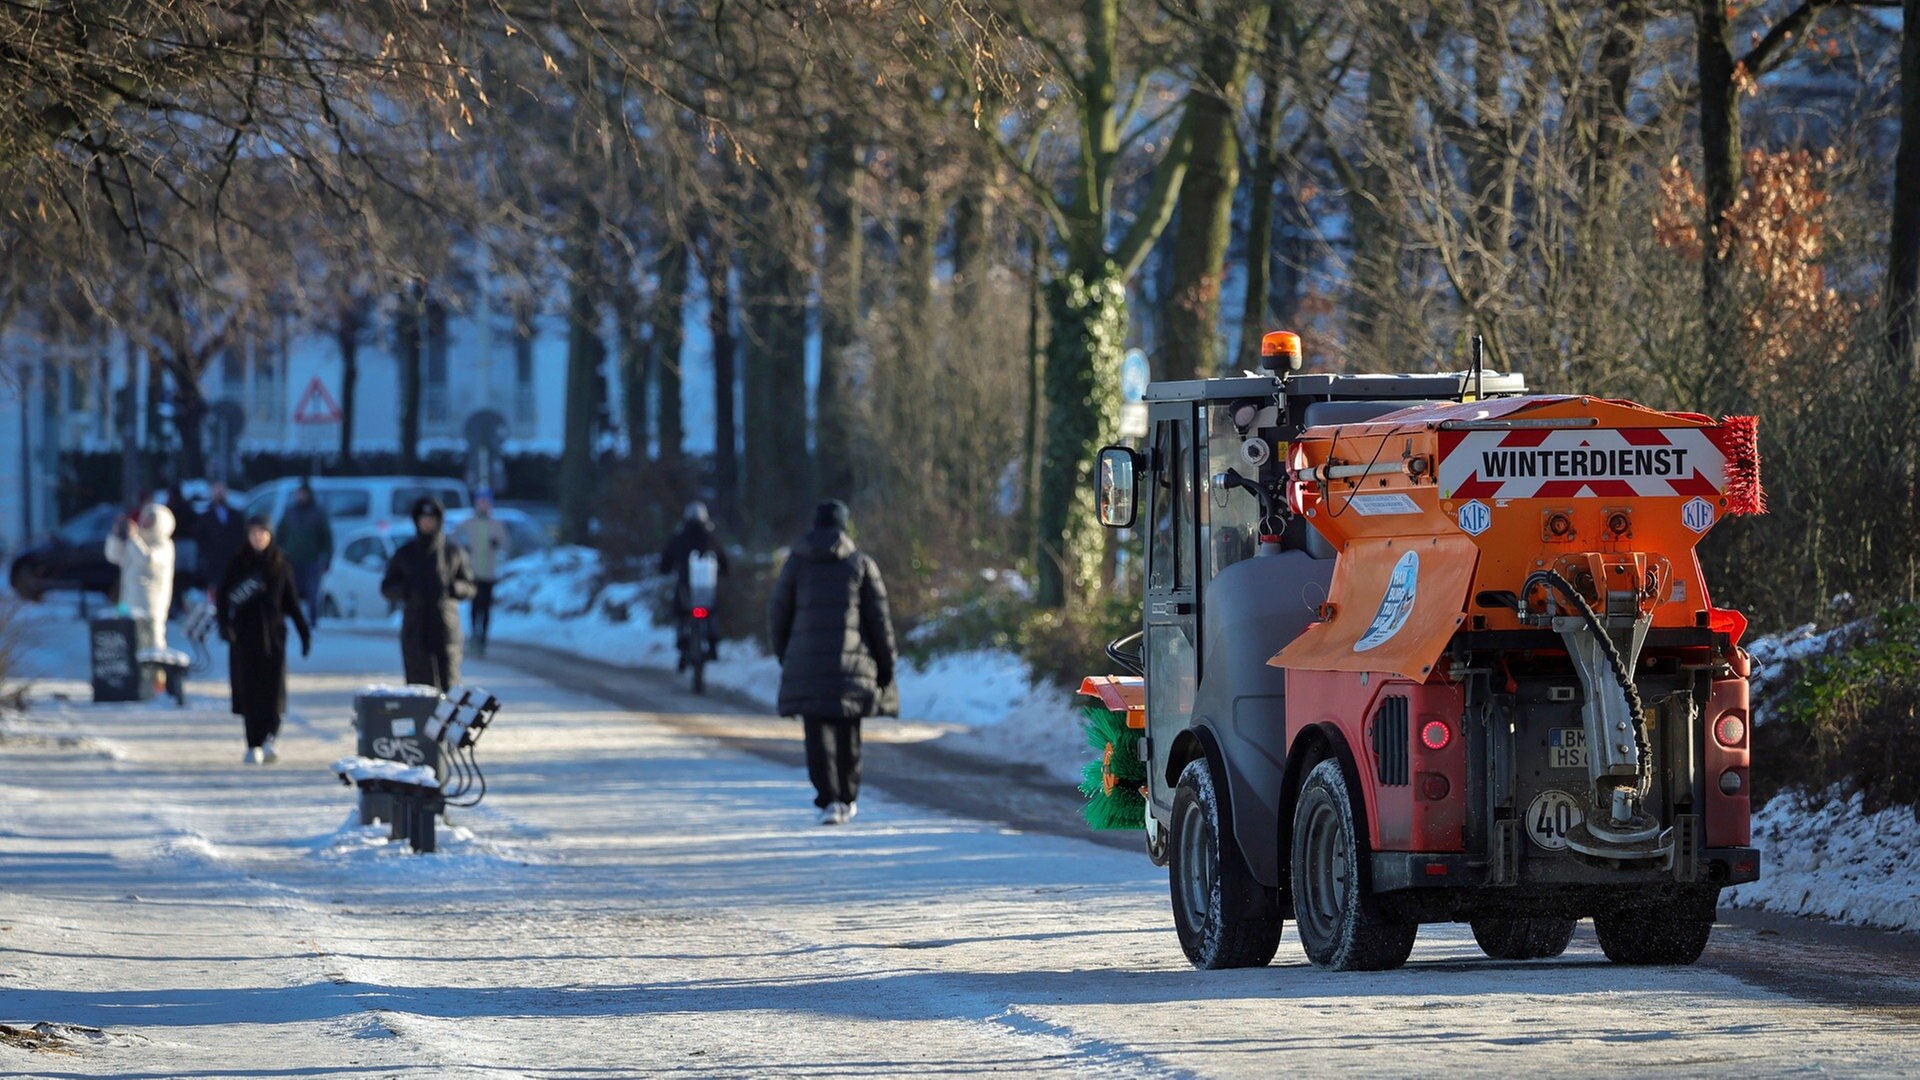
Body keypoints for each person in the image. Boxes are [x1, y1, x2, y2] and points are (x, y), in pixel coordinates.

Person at [768, 500, 897, 826]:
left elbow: (778, 614)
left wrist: (787, 655)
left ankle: (828, 799)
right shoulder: (861, 564)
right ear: (844, 527)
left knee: (817, 734)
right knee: (848, 732)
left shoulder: (796, 564)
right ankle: (848, 797)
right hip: (853, 667)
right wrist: (885, 664)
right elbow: (878, 619)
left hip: (808, 664)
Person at [216, 516, 310, 765]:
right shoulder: (238, 562)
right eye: (254, 533)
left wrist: (304, 632)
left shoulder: (280, 564)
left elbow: (291, 602)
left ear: (270, 535)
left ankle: (271, 738)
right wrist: (224, 626)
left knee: (273, 690)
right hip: (244, 637)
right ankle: (253, 743)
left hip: (274, 637)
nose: (258, 538)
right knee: (250, 691)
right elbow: (223, 599)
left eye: (263, 533)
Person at [381, 497, 475, 690]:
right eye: (423, 518)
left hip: (445, 629)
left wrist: (453, 588)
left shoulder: (453, 553)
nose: (427, 523)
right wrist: (407, 590)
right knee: (419, 692)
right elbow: (387, 587)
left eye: (431, 518)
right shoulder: (405, 554)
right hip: (415, 631)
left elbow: (470, 586)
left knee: (450, 688)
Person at [660, 501, 729, 669]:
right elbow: (724, 560)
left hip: (685, 586)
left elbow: (665, 562)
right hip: (707, 587)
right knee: (711, 612)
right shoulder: (711, 536)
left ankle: (683, 646)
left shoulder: (680, 536)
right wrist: (724, 571)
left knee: (681, 613)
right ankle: (713, 646)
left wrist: (665, 569)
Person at [104, 503, 176, 652]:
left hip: (150, 608)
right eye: (146, 518)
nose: (146, 523)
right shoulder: (136, 542)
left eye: (151, 519)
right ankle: (134, 674)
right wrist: (116, 536)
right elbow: (114, 556)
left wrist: (133, 539)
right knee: (129, 644)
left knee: (152, 646)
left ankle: (156, 674)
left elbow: (147, 560)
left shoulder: (164, 545)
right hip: (126, 603)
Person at [455, 489, 510, 658]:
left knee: (485, 608)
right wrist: (463, 549)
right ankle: (474, 636)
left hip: (489, 573)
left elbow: (506, 544)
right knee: (475, 606)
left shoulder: (496, 524)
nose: (483, 506)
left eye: (486, 502)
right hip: (473, 573)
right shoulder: (469, 523)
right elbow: (453, 536)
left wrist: (497, 544)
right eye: (480, 502)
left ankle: (483, 639)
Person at [276, 481, 333, 628]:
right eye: (299, 493)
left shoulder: (317, 514)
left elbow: (326, 538)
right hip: (291, 561)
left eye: (303, 493)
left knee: (312, 593)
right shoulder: (290, 512)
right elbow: (279, 536)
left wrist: (326, 559)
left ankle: (313, 621)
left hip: (311, 561)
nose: (301, 496)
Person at [194, 481, 247, 592]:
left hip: (233, 560)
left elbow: (242, 536)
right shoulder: (205, 517)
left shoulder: (236, 515)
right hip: (214, 563)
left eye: (222, 491)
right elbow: (201, 540)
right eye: (216, 491)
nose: (219, 494)